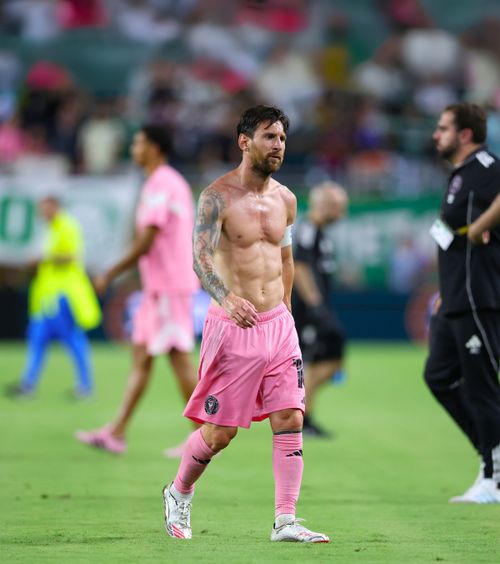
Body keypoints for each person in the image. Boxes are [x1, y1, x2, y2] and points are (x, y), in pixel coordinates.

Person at [162, 105, 329, 543]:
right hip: (234, 327)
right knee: (220, 433)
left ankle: (285, 520)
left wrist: (286, 311)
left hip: (278, 326)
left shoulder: (286, 199)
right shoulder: (216, 197)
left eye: (283, 139)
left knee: (290, 416)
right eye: (269, 137)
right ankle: (179, 491)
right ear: (244, 142)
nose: (278, 146)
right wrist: (227, 298)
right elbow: (199, 259)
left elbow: (285, 260)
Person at [76, 125, 199, 456]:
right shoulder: (160, 182)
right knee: (142, 358)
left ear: (155, 148)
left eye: (139, 142)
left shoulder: (163, 183)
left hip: (170, 285)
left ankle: (203, 440)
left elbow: (148, 239)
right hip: (157, 286)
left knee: (179, 359)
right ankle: (116, 432)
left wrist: (111, 272)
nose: (134, 147)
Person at [424, 102, 500, 503]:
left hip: (478, 296)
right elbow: (451, 239)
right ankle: (491, 454)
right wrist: (443, 290)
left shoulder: (486, 165)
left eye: (443, 128)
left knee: (482, 386)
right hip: (454, 297)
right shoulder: (459, 174)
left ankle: (494, 477)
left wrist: (482, 226)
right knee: (439, 376)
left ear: (465, 134)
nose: (436, 135)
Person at [6, 196, 101, 398]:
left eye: (47, 208)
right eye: (42, 209)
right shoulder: (49, 230)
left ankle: (85, 385)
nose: (44, 213)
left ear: (56, 207)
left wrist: (44, 258)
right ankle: (28, 384)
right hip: (46, 296)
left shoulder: (66, 226)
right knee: (37, 338)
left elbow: (73, 256)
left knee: (71, 337)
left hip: (62, 295)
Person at [292, 181, 348, 437]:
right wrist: (314, 304)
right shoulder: (307, 229)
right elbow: (300, 266)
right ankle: (302, 418)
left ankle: (304, 415)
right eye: (338, 206)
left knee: (329, 361)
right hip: (308, 311)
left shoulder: (319, 233)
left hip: (318, 309)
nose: (341, 212)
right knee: (309, 363)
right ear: (323, 204)